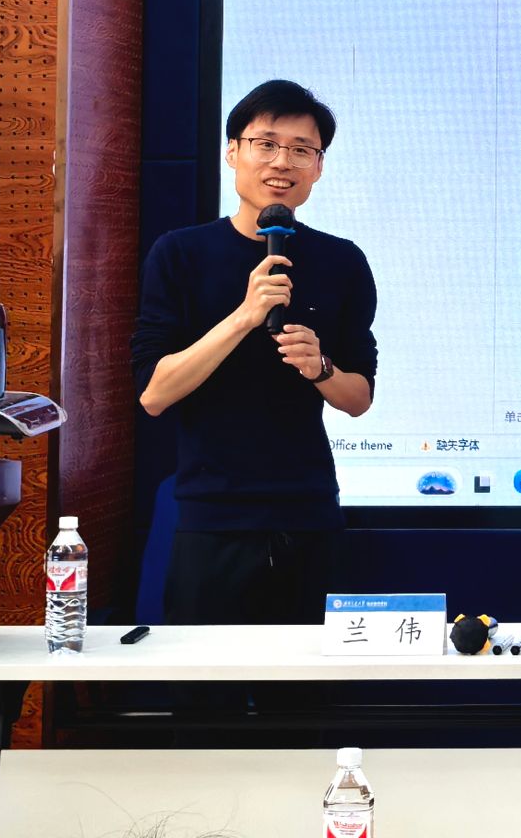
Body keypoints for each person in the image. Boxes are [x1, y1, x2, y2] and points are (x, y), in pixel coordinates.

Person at [133, 79, 378, 630]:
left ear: (318, 167)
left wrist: (321, 368)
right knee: (204, 682)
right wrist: (244, 316)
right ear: (232, 152)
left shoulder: (342, 261)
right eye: (265, 144)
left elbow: (359, 398)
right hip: (212, 517)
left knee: (306, 683)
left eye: (301, 150)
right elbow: (154, 393)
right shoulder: (180, 254)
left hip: (309, 514)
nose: (282, 162)